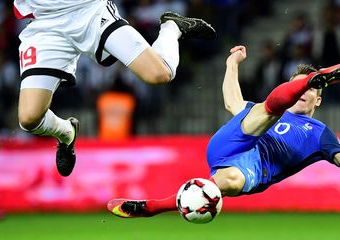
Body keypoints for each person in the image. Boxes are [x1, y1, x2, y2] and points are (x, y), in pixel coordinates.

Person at [107, 45, 340, 218]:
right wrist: (231, 64)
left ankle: (151, 208)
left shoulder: (319, 133)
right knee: (262, 111)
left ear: (319, 98)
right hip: (235, 140)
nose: (305, 94)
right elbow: (232, 101)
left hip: (252, 167)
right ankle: (313, 77)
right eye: (301, 85)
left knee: (222, 184)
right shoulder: (269, 112)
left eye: (311, 88)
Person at [13, 0, 216, 177]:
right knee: (29, 118)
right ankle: (66, 132)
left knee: (159, 73)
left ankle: (172, 27)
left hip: (90, 11)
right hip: (45, 25)